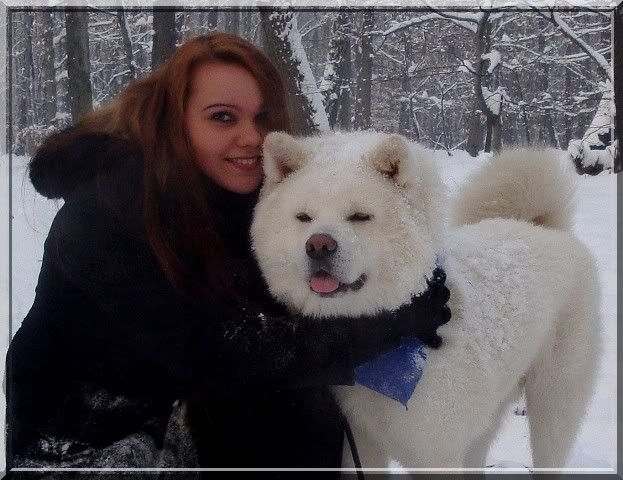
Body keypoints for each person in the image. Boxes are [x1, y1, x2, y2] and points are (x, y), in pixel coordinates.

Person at [5, 32, 450, 473]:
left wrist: (399, 291)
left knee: (302, 407)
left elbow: (276, 315)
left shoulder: (242, 198)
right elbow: (209, 353)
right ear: (174, 121)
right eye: (223, 118)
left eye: (263, 117)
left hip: (189, 412)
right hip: (87, 437)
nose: (251, 137)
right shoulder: (106, 209)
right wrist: (378, 328)